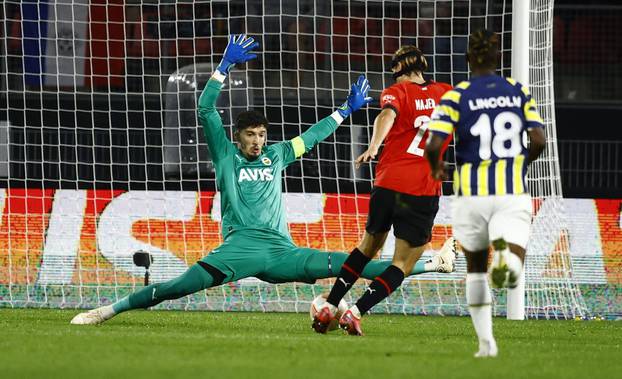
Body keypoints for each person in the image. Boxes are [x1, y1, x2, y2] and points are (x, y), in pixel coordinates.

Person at [70, 34, 456, 326]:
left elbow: (312, 136)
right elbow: (205, 108)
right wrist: (223, 67)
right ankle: (106, 311)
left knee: (352, 262)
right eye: (251, 135)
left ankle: (435, 264)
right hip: (239, 249)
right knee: (175, 288)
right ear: (238, 136)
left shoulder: (276, 154)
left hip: (282, 252)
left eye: (261, 135)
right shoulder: (224, 153)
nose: (258, 142)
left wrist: (344, 111)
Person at [312, 45, 455, 336]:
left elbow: (386, 116)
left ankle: (330, 305)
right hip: (422, 188)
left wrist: (375, 145)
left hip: (388, 182)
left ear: (395, 70)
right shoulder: (446, 92)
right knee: (402, 263)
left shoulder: (395, 92)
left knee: (367, 247)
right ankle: (355, 312)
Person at [425, 29, 546, 357]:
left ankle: (486, 343)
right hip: (510, 188)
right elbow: (538, 140)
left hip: (471, 194)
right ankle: (507, 258)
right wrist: (519, 165)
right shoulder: (517, 90)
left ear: (467, 60)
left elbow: (434, 144)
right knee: (514, 250)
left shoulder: (457, 95)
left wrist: (437, 167)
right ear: (498, 59)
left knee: (476, 268)